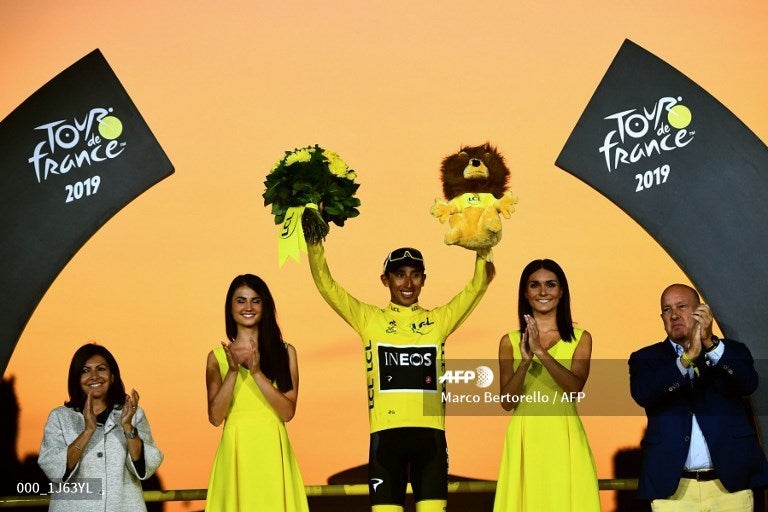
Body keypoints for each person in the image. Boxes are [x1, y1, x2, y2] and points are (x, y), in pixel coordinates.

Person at [306, 239, 493, 512]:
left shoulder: (439, 321)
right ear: (385, 279)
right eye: (399, 275)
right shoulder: (369, 319)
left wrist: (484, 246)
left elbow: (478, 286)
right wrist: (314, 242)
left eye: (415, 275)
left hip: (430, 439)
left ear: (424, 280)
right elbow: (327, 285)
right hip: (385, 440)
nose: (408, 283)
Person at [629, 283, 768, 511]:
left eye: (681, 306)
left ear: (702, 312)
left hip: (730, 487)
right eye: (666, 309)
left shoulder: (731, 352)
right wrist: (686, 360)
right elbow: (643, 394)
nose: (674, 315)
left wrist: (710, 345)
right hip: (673, 491)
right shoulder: (645, 358)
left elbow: (748, 383)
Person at [493, 259, 600, 512]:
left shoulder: (581, 338)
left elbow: (574, 388)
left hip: (565, 438)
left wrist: (540, 351)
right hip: (525, 438)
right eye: (535, 285)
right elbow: (507, 402)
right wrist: (525, 361)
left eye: (550, 285)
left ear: (561, 291)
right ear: (525, 293)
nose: (543, 292)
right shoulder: (509, 342)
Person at [205, 274, 308, 512]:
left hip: (272, 450)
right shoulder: (216, 358)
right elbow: (215, 417)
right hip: (236, 452)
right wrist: (232, 372)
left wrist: (256, 373)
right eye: (240, 301)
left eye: (255, 300)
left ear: (265, 306)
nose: (248, 307)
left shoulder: (285, 352)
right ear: (230, 307)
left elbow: (287, 411)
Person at [38, 343, 163, 512]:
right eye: (85, 370)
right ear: (76, 378)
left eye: (101, 369)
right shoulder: (60, 417)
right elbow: (52, 467)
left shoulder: (133, 414)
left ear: (112, 376)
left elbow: (148, 465)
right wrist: (88, 431)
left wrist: (127, 426)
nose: (94, 376)